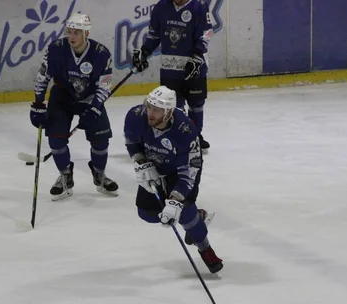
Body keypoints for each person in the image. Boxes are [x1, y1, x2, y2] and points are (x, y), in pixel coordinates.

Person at [124, 86, 223, 273]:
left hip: (181, 169)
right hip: (155, 165)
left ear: (168, 112)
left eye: (156, 109)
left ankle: (205, 248)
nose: (150, 113)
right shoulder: (136, 115)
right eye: (149, 106)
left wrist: (176, 200)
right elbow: (132, 142)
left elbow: (190, 169)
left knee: (184, 212)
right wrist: (142, 162)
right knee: (147, 214)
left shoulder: (186, 130)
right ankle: (198, 215)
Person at [29, 13, 118, 201]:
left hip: (90, 97)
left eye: (76, 32)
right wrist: (38, 104)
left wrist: (94, 108)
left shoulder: (102, 54)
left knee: (101, 141)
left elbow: (104, 86)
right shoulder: (56, 49)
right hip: (62, 95)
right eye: (69, 32)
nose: (71, 36)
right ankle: (65, 176)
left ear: (86, 33)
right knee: (56, 140)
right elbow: (43, 76)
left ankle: (99, 174)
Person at [131, 0, 214, 151]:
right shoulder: (161, 7)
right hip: (170, 67)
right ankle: (178, 136)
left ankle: (195, 136)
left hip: (194, 65)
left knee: (196, 104)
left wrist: (197, 56)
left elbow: (205, 34)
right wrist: (144, 52)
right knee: (174, 106)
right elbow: (154, 35)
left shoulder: (199, 7)